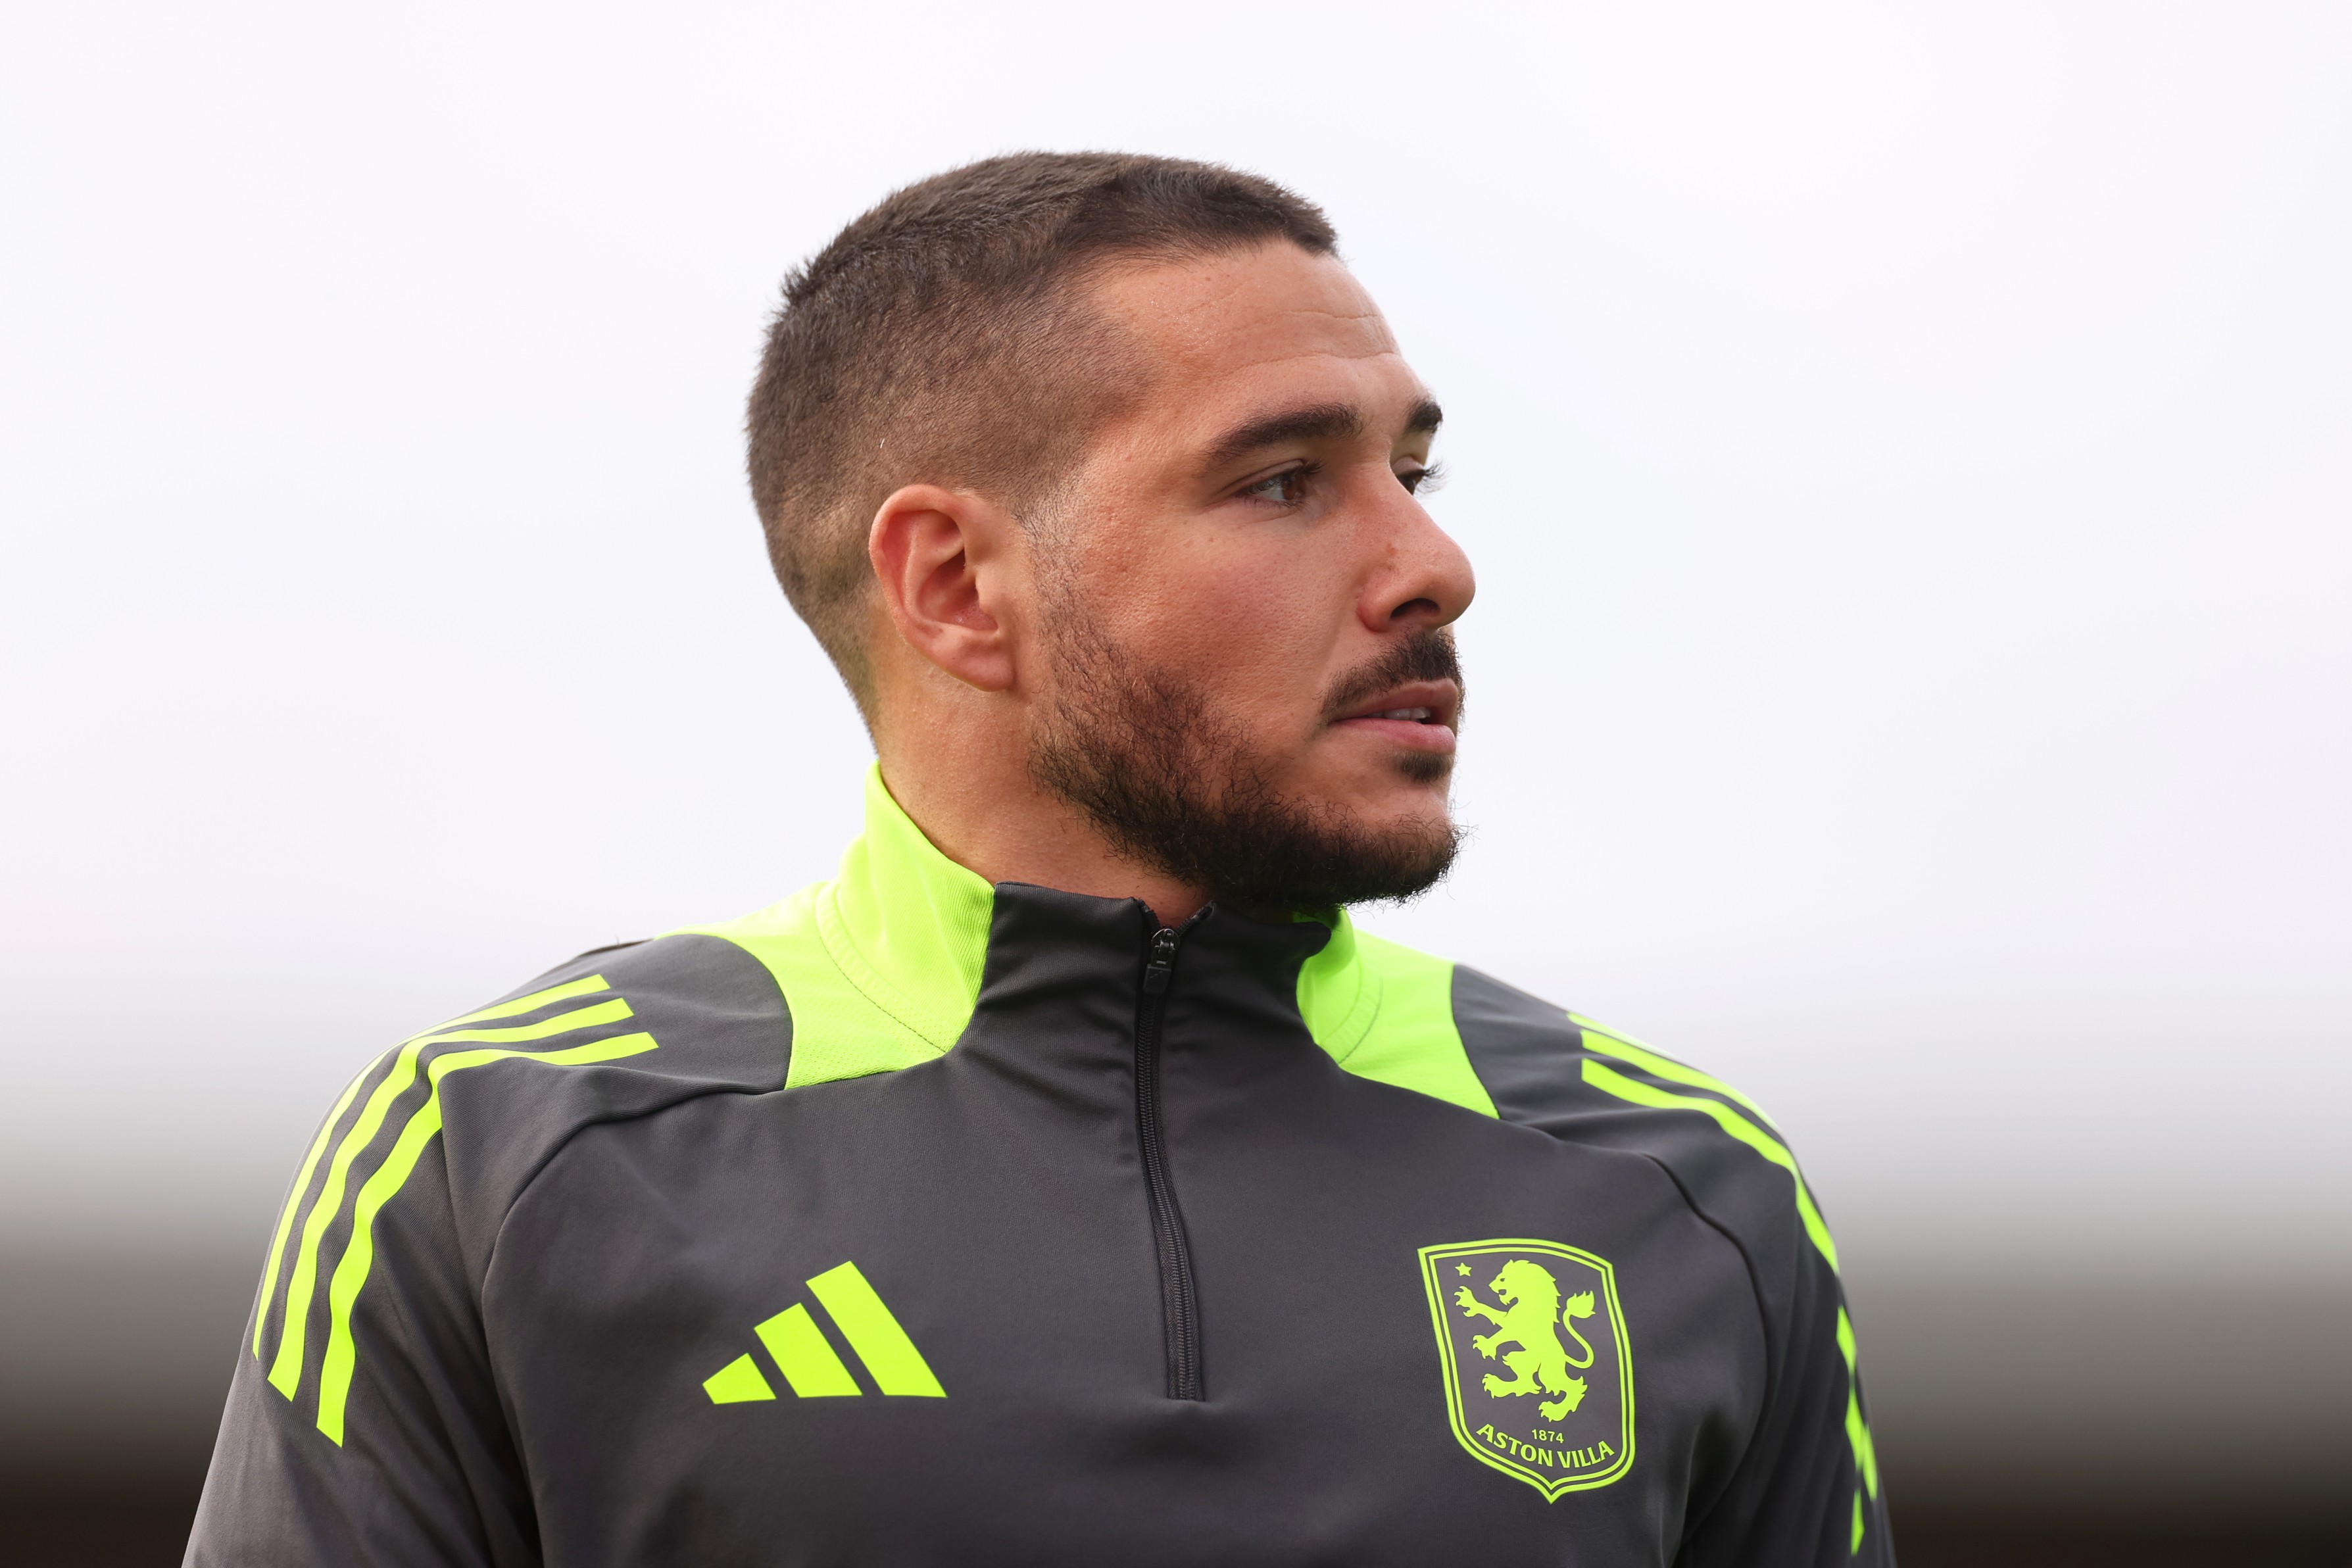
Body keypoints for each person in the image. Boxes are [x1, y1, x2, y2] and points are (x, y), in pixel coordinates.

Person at [189, 152, 1892, 1566]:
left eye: (1414, 468)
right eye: (1287, 482)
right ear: (951, 587)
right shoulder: (509, 1153)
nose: (1432, 563)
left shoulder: (1684, 1190)